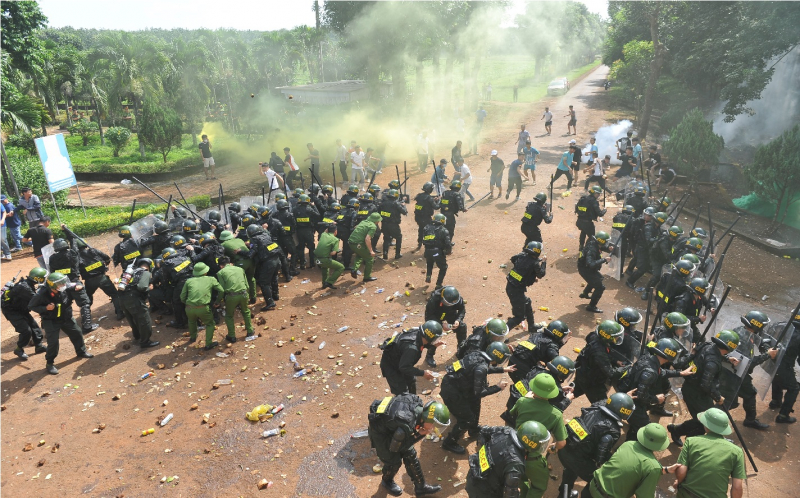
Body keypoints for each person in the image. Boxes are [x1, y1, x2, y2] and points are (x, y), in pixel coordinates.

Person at [668, 330, 741, 447]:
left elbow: (708, 356)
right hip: (696, 393)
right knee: (705, 422)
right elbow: (705, 384)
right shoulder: (713, 362)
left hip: (696, 390)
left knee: (704, 419)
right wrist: (718, 397)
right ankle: (686, 438)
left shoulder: (707, 345)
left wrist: (727, 359)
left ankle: (678, 430)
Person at [440, 342, 515, 454]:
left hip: (457, 385)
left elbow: (481, 369)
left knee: (475, 403)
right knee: (467, 419)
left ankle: (473, 429)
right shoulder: (482, 366)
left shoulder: (478, 355)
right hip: (453, 392)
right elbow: (479, 392)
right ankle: (449, 442)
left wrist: (503, 369)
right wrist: (497, 387)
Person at [368, 395, 449, 497]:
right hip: (381, 434)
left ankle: (421, 487)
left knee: (411, 454)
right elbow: (396, 448)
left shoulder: (418, 407)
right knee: (394, 461)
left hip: (391, 426)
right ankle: (387, 480)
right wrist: (420, 434)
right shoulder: (406, 426)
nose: (434, 428)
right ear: (427, 419)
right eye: (434, 424)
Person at [557, 393, 633, 497]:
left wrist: (620, 399)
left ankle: (564, 494)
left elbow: (603, 402)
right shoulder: (613, 430)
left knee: (570, 470)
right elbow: (600, 457)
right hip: (578, 460)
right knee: (598, 480)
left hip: (564, 450)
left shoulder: (593, 410)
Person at [509, 372, 568, 498]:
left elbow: (512, 413)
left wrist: (525, 398)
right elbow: (562, 443)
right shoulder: (556, 414)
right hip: (534, 458)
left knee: (521, 477)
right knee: (538, 487)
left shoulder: (522, 401)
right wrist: (553, 448)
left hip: (515, 450)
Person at [617, 338, 686, 441]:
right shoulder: (650, 372)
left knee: (636, 427)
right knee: (644, 429)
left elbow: (662, 372)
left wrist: (680, 373)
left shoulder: (648, 359)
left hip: (630, 398)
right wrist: (656, 399)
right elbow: (641, 396)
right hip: (634, 405)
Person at [583, 423, 675, 498]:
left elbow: (630, 467)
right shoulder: (653, 467)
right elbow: (644, 495)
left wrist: (665, 470)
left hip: (591, 488)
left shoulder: (628, 444)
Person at [28, 272, 94, 375]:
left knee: (77, 333)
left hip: (66, 317)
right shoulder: (41, 294)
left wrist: (79, 285)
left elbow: (75, 285)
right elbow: (31, 306)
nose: (64, 285)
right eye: (60, 284)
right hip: (51, 320)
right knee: (53, 343)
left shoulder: (64, 287)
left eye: (64, 283)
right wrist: (45, 308)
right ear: (53, 285)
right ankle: (49, 363)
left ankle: (81, 351)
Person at [720, 310, 777, 430]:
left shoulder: (745, 330)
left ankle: (750, 420)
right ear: (757, 325)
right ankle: (710, 421)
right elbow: (747, 364)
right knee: (729, 403)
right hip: (733, 374)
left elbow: (759, 340)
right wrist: (767, 355)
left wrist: (766, 347)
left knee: (749, 394)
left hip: (738, 373)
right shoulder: (743, 339)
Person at [674, 408, 746, 498]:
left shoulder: (691, 441)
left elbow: (681, 472)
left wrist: (678, 482)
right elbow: (737, 487)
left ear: (706, 425)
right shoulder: (737, 452)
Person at [62, 225, 124, 321]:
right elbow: (107, 258)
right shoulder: (93, 251)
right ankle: (120, 313)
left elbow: (74, 270)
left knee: (87, 299)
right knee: (114, 294)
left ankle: (87, 318)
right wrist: (104, 264)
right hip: (102, 278)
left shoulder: (76, 258)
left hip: (89, 281)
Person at [502, 355, 575, 426]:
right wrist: (567, 399)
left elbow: (536, 389)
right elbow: (555, 412)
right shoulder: (558, 392)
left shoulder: (537, 370)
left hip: (511, 410)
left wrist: (558, 389)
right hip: (524, 423)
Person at [48, 237, 99, 333]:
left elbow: (52, 272)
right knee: (84, 303)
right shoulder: (72, 253)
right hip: (75, 283)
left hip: (61, 285)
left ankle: (62, 326)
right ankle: (87, 326)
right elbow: (74, 244)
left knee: (64, 305)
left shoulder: (52, 258)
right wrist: (68, 233)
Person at [379, 320, 444, 395]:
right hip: (392, 367)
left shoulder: (418, 333)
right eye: (435, 339)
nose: (436, 340)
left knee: (411, 382)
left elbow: (422, 344)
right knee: (402, 393)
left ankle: (413, 402)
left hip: (401, 360)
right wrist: (423, 373)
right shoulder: (412, 349)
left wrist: (433, 345)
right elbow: (404, 367)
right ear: (429, 337)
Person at [573, 321, 627, 402]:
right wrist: (626, 368)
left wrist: (615, 361)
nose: (617, 338)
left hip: (582, 372)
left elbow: (603, 354)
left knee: (572, 392)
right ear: (608, 337)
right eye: (615, 336)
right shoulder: (599, 351)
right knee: (601, 406)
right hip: (592, 382)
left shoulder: (596, 338)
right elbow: (611, 373)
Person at [2, 267, 48, 359]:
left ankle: (38, 346)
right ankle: (19, 349)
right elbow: (36, 300)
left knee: (34, 327)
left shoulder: (28, 284)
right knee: (26, 331)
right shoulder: (24, 287)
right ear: (37, 278)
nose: (44, 279)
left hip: (21, 309)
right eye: (43, 278)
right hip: (12, 311)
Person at [246, 224, 290, 311]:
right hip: (276, 260)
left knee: (263, 282)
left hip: (268, 263)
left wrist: (240, 251)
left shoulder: (254, 239)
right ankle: (275, 295)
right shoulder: (266, 235)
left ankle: (270, 303)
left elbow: (250, 254)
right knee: (274, 278)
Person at [505, 241, 547, 333]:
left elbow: (513, 259)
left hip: (510, 286)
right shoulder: (535, 263)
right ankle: (501, 333)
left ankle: (531, 326)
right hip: (516, 291)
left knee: (527, 302)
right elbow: (541, 274)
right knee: (519, 317)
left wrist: (525, 272)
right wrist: (543, 262)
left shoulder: (521, 255)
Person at [180, 262, 224, 350]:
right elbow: (221, 290)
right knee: (210, 324)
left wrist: (188, 304)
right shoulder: (211, 279)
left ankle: (193, 337)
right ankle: (208, 344)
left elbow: (182, 297)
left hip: (189, 308)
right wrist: (217, 301)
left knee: (192, 321)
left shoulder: (188, 281)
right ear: (205, 272)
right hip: (203, 308)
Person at [119, 258, 159, 348]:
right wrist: (150, 288)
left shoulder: (129, 273)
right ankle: (145, 342)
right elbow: (142, 287)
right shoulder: (145, 272)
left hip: (122, 299)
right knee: (145, 320)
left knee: (132, 318)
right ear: (150, 266)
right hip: (134, 299)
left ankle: (137, 336)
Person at [423, 285, 467, 367]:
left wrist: (458, 320)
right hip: (436, 315)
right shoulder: (434, 300)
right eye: (447, 303)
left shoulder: (456, 299)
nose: (449, 304)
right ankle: (429, 355)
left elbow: (462, 309)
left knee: (462, 327)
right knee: (434, 332)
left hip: (450, 313)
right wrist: (441, 324)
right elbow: (428, 317)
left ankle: (461, 350)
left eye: (451, 304)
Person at [770, 312, 800, 423]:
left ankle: (775, 401)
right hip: (785, 365)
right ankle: (783, 415)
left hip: (772, 361)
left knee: (777, 377)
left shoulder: (783, 326)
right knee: (794, 388)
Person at [216, 256, 254, 342]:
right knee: (246, 311)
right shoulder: (240, 269)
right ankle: (250, 331)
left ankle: (232, 336)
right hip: (244, 293)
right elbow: (247, 285)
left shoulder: (220, 273)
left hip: (231, 296)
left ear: (221, 266)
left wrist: (218, 301)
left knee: (229, 316)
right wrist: (247, 295)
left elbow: (222, 289)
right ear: (230, 263)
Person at [578, 231, 613, 313]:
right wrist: (604, 259)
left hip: (587, 268)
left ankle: (585, 293)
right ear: (601, 240)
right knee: (600, 287)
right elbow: (591, 264)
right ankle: (591, 306)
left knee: (598, 279)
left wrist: (608, 249)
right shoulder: (592, 250)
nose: (607, 242)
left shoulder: (593, 242)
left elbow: (599, 247)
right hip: (586, 270)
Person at [624, 207, 657, 290]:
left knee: (636, 257)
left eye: (649, 215)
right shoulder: (639, 221)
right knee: (638, 261)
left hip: (641, 244)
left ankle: (630, 269)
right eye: (645, 214)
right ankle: (629, 275)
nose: (646, 216)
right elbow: (632, 232)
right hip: (636, 242)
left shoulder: (653, 224)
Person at [161, 245, 193, 329]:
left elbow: (165, 279)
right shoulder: (185, 257)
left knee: (176, 302)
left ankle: (180, 322)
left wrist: (167, 287)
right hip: (194, 280)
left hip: (181, 284)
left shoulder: (167, 263)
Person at [349, 212, 382, 282]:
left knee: (360, 254)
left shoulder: (363, 222)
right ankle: (367, 277)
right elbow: (367, 239)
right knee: (370, 258)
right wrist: (371, 251)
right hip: (358, 244)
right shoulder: (373, 226)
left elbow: (356, 227)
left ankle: (354, 269)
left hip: (351, 242)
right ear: (376, 221)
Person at [422, 213, 451, 288]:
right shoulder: (444, 230)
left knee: (430, 263)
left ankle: (428, 275)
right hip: (437, 253)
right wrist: (448, 252)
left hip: (427, 251)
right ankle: (438, 284)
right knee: (443, 267)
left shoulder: (426, 228)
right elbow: (448, 244)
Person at [378, 189, 407, 260]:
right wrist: (403, 205)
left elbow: (379, 212)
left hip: (384, 224)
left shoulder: (383, 203)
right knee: (398, 237)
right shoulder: (396, 204)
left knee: (386, 238)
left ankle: (385, 254)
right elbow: (404, 212)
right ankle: (397, 254)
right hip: (393, 225)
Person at [314, 222, 344, 289]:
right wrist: (329, 252)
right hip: (324, 259)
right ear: (336, 231)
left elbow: (326, 230)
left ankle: (324, 284)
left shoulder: (323, 234)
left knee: (325, 268)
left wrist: (330, 224)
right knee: (341, 267)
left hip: (316, 259)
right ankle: (329, 282)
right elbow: (333, 253)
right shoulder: (335, 239)